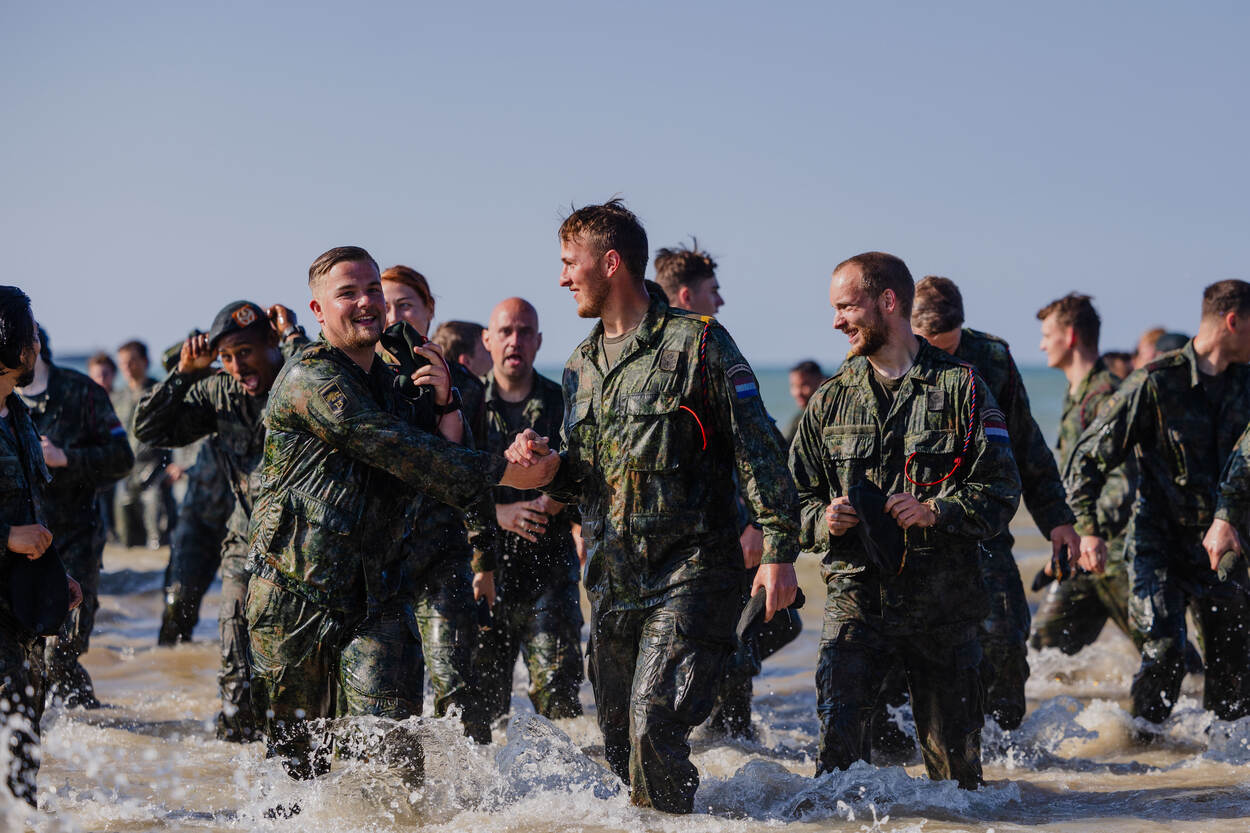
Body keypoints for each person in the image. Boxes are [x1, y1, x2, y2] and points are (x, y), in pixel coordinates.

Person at [505, 201, 799, 813]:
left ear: (610, 263)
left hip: (690, 572)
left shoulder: (700, 342)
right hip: (613, 584)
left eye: (569, 263)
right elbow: (582, 475)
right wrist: (543, 466)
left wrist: (778, 550)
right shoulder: (582, 365)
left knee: (652, 726)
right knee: (619, 747)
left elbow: (759, 448)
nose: (562, 278)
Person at [245, 246, 556, 785]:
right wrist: (506, 474)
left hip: (377, 596)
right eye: (347, 293)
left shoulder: (400, 381)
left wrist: (451, 408)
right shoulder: (311, 379)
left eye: (372, 290)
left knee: (394, 765)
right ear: (317, 311)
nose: (366, 302)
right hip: (294, 598)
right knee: (296, 779)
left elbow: (443, 463)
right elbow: (402, 451)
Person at [789, 252, 1022, 788]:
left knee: (958, 784)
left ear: (888, 302)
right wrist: (823, 521)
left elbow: (1002, 490)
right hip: (856, 605)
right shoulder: (828, 401)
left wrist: (936, 510)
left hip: (943, 609)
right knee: (836, 773)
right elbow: (790, 502)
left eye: (846, 306)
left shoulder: (962, 389)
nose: (836, 321)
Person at [1066, 280, 1250, 727]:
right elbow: (1088, 458)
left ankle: (1218, 780)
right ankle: (1142, 764)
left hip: (1222, 546)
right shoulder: (1155, 381)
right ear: (1233, 321)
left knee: (1233, 673)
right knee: (1164, 656)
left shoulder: (1247, 382)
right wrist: (1087, 528)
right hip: (1158, 543)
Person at [909, 276, 1082, 730]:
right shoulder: (887, 357)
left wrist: (1058, 521)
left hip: (982, 525)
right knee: (903, 659)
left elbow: (1026, 445)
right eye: (933, 347)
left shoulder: (993, 358)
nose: (943, 357)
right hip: (910, 536)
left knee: (1005, 640)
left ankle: (1007, 765)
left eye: (950, 345)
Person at [134, 301, 307, 741]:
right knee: (234, 655)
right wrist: (186, 374)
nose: (236, 366)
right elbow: (151, 430)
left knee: (296, 670)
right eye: (226, 357)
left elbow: (319, 374)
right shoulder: (221, 391)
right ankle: (235, 762)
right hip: (241, 538)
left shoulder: (300, 378)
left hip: (302, 549)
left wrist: (294, 335)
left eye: (244, 353)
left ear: (271, 342)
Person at [653, 239, 802, 738]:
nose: (721, 302)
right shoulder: (641, 356)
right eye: (714, 291)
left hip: (727, 541)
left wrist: (762, 527)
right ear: (687, 295)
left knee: (735, 658)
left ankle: (733, 758)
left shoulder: (714, 350)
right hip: (661, 553)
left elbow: (760, 451)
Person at [379, 264, 492, 743]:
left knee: (455, 687)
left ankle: (471, 804)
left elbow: (474, 474)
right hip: (379, 563)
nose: (392, 315)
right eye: (384, 304)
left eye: (405, 304)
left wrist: (485, 558)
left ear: (429, 310)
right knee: (388, 701)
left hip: (442, 553)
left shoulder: (462, 383)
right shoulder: (357, 378)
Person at [472, 297, 584, 723]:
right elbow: (446, 482)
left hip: (549, 576)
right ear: (488, 340)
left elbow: (589, 471)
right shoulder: (466, 405)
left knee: (560, 706)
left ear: (538, 341)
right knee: (479, 714)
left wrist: (552, 500)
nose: (513, 340)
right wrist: (498, 515)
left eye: (523, 332)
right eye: (505, 331)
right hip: (486, 573)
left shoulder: (562, 404)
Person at [17, 326, 133, 707]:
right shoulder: (5, 402)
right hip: (20, 545)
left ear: (33, 348)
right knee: (29, 657)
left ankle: (88, 738)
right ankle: (67, 738)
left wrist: (66, 458)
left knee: (61, 652)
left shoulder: (81, 391)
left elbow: (122, 458)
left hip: (76, 539)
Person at [0, 286, 82, 806]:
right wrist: (5, 538)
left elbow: (32, 512)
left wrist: (58, 575)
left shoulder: (18, 415)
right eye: (29, 336)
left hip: (20, 605)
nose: (36, 346)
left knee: (23, 738)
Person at [1028, 294, 1138, 655]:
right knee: (1045, 649)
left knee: (1162, 649)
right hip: (1085, 551)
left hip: (1114, 551)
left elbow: (1123, 477)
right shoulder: (1078, 394)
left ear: (1071, 336)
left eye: (1048, 334)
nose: (1042, 343)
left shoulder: (1106, 395)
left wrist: (1091, 533)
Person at [113, 340, 173, 549]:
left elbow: (179, 430)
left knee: (158, 539)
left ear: (145, 361)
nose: (127, 368)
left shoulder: (160, 392)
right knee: (126, 540)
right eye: (122, 363)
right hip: (126, 474)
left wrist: (177, 465)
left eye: (132, 362)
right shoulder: (118, 397)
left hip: (156, 473)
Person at [785, 360, 826, 445]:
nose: (797, 392)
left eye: (804, 385)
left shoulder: (827, 414)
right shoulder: (800, 418)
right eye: (793, 386)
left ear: (821, 382)